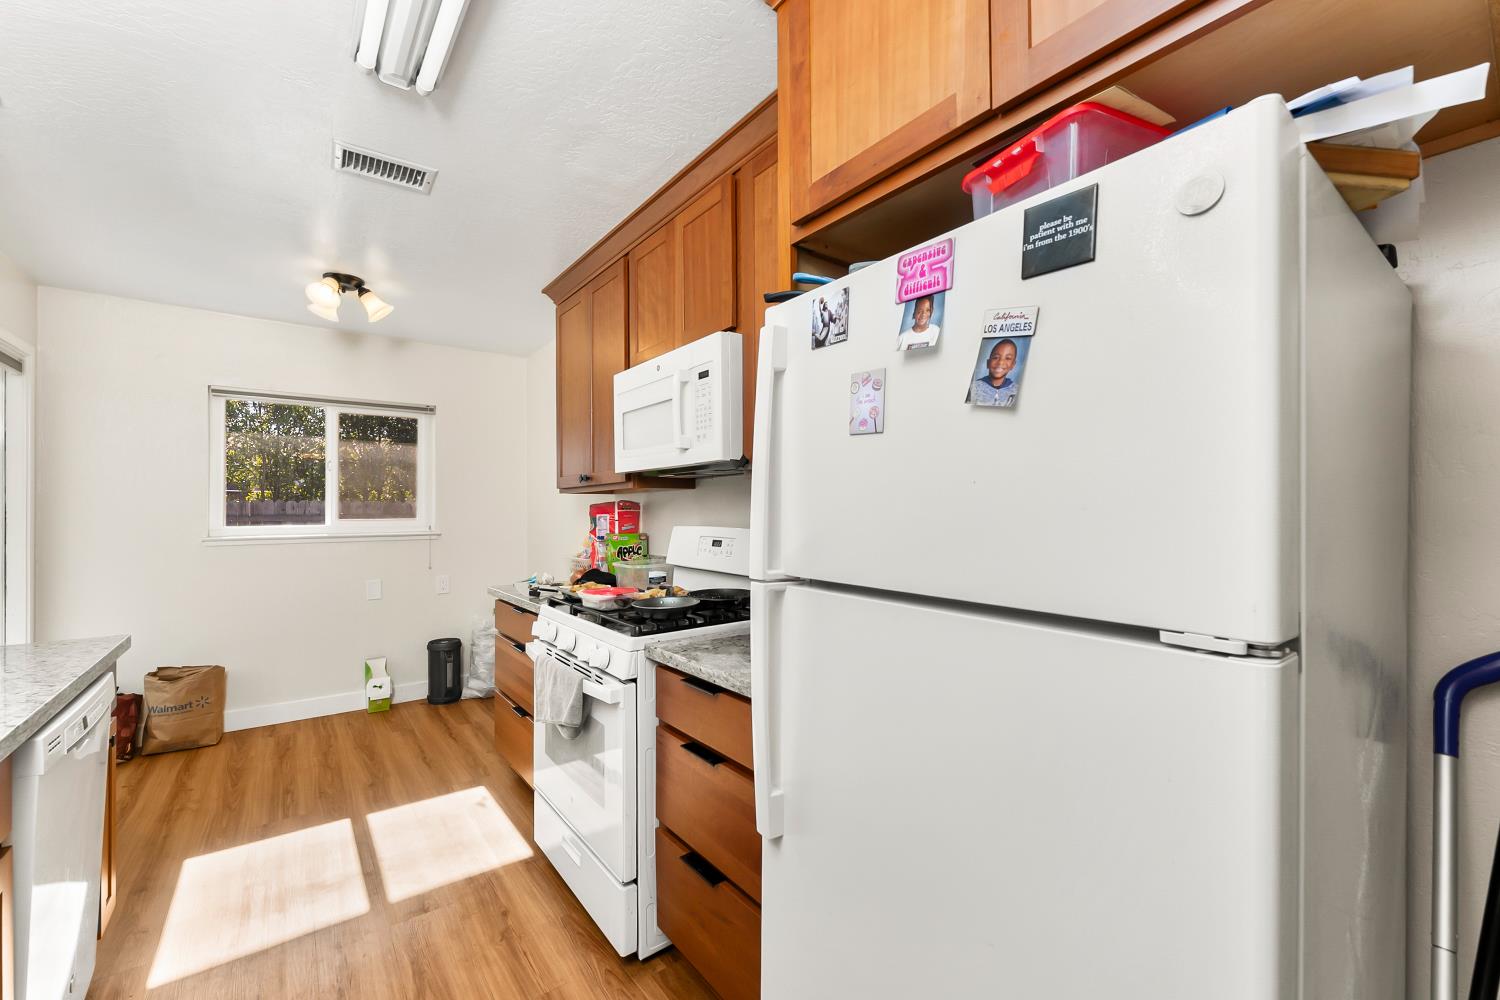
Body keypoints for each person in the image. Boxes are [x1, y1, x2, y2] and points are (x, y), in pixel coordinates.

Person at [971, 338, 1020, 406]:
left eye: (1008, 358)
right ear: (988, 363)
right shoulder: (974, 387)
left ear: (1013, 365)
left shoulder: (1016, 390)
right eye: (996, 357)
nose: (1000, 362)